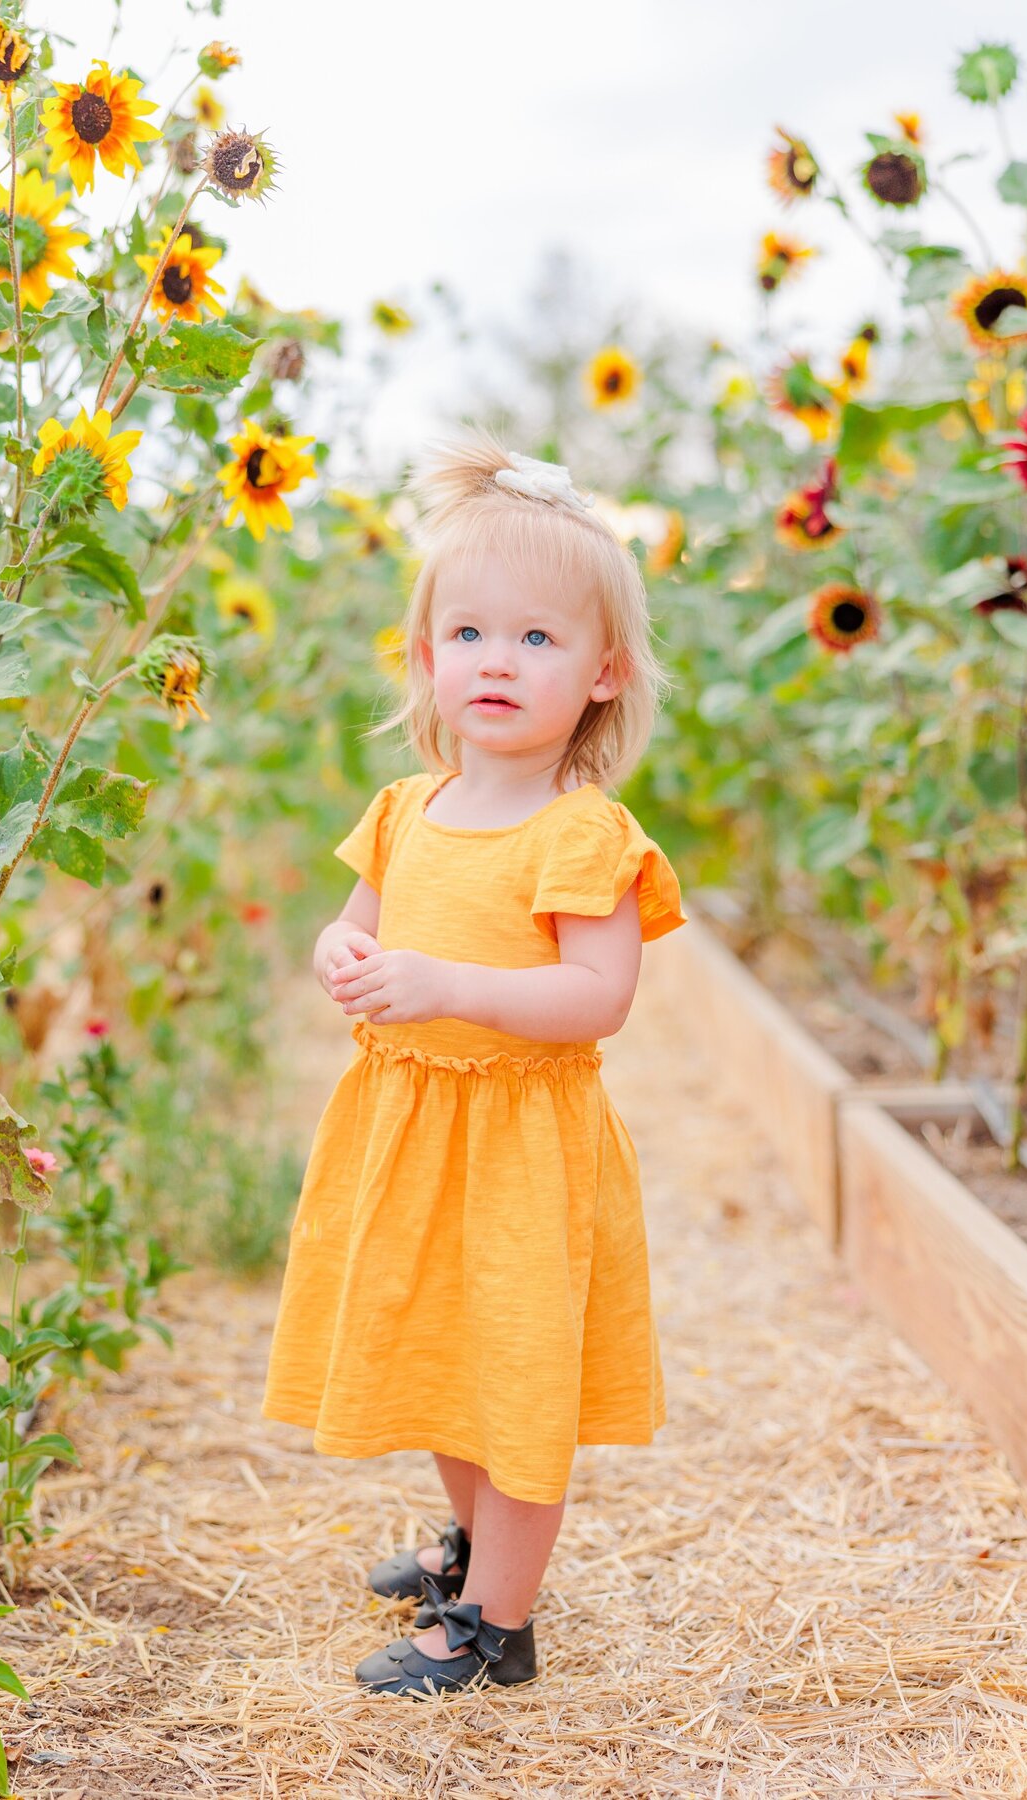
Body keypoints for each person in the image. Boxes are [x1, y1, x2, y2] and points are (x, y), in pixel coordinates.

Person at [260, 423, 688, 1698]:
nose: (497, 661)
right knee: (432, 1352)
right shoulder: (406, 809)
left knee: (512, 1374)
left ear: (605, 674)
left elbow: (598, 997)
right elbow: (361, 923)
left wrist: (447, 987)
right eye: (470, 635)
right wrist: (343, 953)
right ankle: (475, 1550)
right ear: (427, 658)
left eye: (538, 639)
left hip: (518, 1143)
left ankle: (499, 1624)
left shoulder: (581, 832)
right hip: (406, 1127)